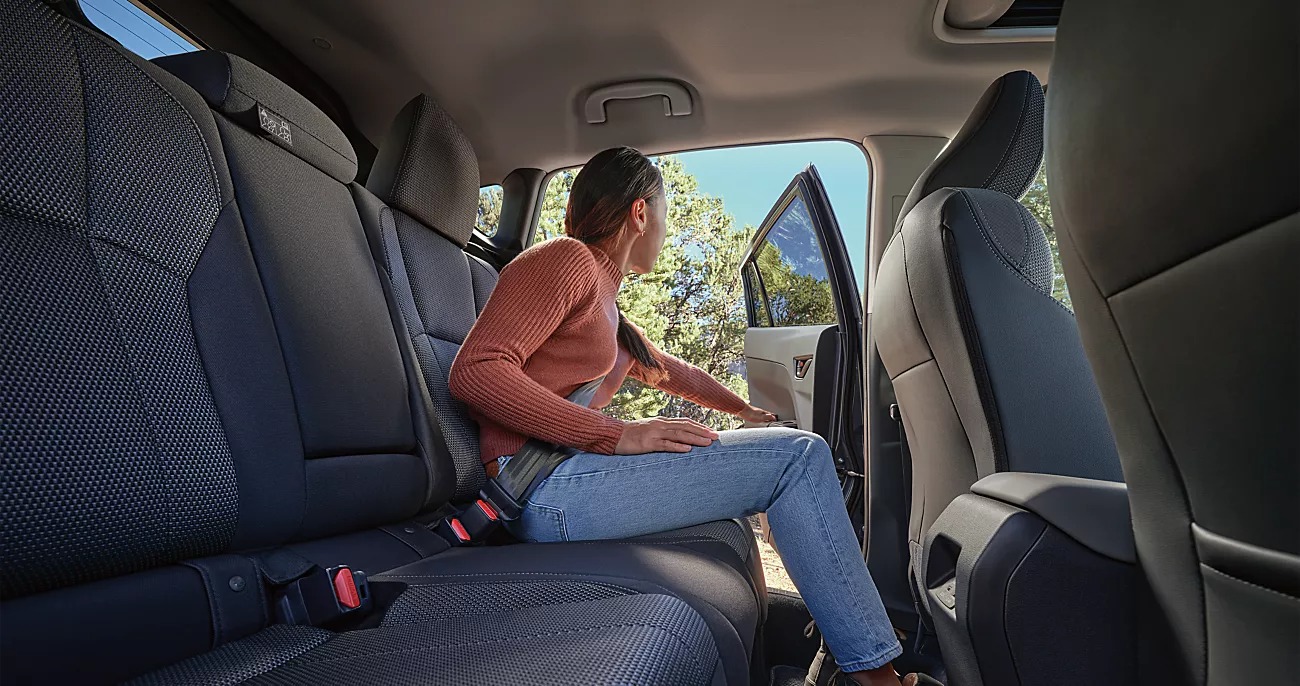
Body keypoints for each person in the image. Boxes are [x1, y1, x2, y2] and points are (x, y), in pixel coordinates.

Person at [450, 147, 921, 686]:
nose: (665, 232)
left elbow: (672, 374)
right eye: (665, 215)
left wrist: (745, 410)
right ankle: (876, 675)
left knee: (777, 460)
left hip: (565, 484)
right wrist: (613, 435)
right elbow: (477, 371)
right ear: (640, 213)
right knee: (798, 458)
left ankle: (850, 645)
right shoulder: (565, 259)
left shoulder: (608, 308)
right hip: (541, 490)